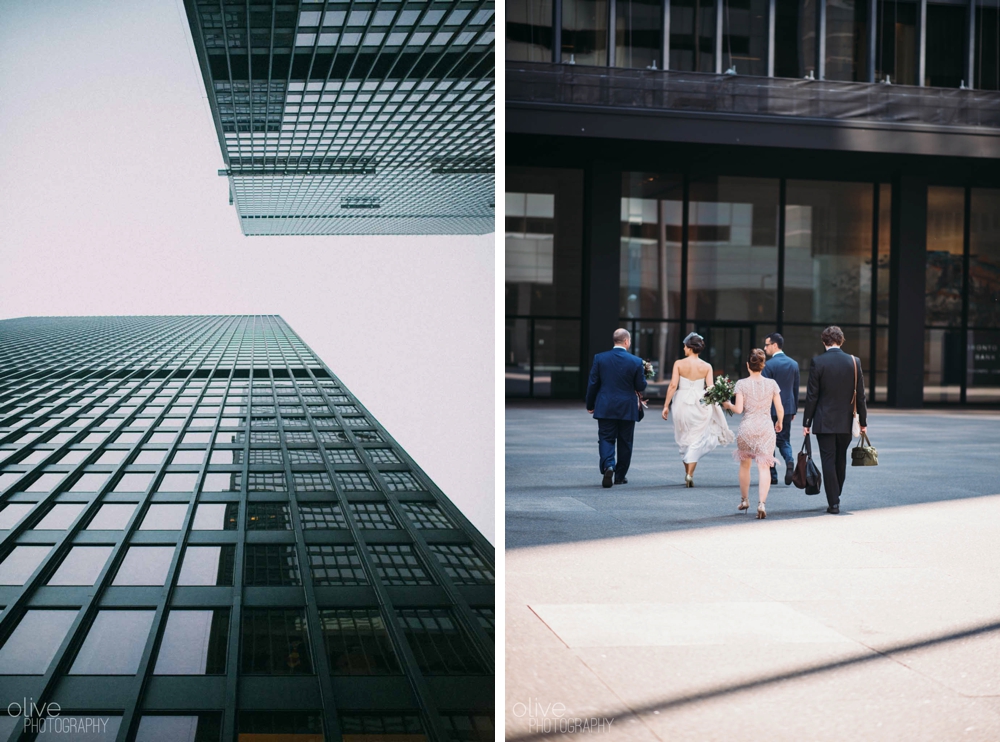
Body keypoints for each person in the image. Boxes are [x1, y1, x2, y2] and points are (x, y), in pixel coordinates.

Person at [802, 326, 868, 515]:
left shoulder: (818, 362)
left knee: (828, 460)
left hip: (824, 421)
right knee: (840, 459)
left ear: (824, 342)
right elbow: (861, 396)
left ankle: (834, 502)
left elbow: (812, 396)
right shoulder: (854, 362)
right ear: (841, 340)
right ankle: (835, 494)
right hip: (847, 421)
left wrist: (806, 422)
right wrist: (863, 422)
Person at [661, 332, 734, 487]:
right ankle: (690, 474)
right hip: (701, 403)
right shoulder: (707, 366)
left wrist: (666, 405)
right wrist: (720, 402)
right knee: (697, 438)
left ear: (689, 347)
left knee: (683, 437)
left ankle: (688, 473)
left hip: (682, 402)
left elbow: (673, 385)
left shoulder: (679, 364)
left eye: (684, 346)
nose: (683, 349)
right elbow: (711, 387)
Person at [722, 349, 784, 519]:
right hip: (765, 428)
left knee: (745, 465)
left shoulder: (741, 384)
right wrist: (780, 422)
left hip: (747, 428)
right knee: (764, 467)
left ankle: (744, 500)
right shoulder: (772, 384)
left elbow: (739, 409)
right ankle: (762, 504)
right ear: (763, 365)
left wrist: (727, 405)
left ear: (748, 365)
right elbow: (779, 408)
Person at [585, 328, 647, 488]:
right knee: (625, 442)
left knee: (606, 438)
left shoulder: (600, 358)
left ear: (615, 341)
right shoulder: (636, 361)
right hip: (627, 407)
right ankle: (620, 476)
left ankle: (608, 466)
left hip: (605, 406)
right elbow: (641, 386)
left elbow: (593, 384)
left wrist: (590, 404)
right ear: (626, 341)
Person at [761, 333, 799, 486]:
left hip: (770, 409)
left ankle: (773, 474)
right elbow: (795, 390)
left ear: (774, 345)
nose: (765, 348)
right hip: (787, 408)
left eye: (767, 345)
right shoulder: (794, 364)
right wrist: (793, 410)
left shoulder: (768, 365)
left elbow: (764, 389)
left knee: (768, 443)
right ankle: (789, 460)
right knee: (784, 440)